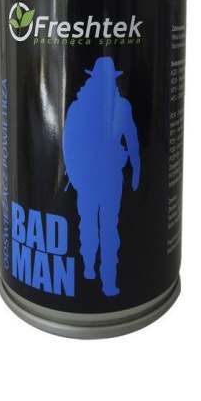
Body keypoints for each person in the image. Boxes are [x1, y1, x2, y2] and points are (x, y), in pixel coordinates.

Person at [63, 57, 140, 296]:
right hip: (93, 177)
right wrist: (75, 174)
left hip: (102, 177)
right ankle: (94, 270)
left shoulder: (116, 107)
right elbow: (69, 144)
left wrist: (136, 169)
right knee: (98, 225)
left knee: (103, 226)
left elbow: (132, 141)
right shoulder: (82, 108)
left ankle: (104, 277)